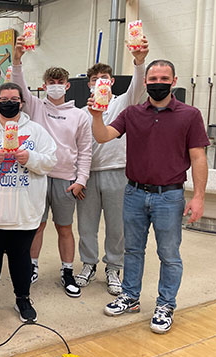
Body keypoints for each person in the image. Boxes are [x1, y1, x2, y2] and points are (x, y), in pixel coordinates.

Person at [90, 59, 209, 334]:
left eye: (163, 78)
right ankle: (130, 297)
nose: (158, 83)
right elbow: (104, 136)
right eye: (152, 79)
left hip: (170, 196)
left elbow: (198, 157)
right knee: (132, 250)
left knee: (168, 254)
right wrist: (97, 115)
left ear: (174, 80)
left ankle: (166, 304)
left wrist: (199, 197)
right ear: (145, 82)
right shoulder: (132, 113)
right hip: (133, 192)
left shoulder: (189, 115)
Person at [0, 82, 57, 322]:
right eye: (4, 98)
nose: (9, 102)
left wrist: (30, 157)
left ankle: (22, 298)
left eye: (14, 98)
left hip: (24, 212)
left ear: (22, 103)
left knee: (20, 258)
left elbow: (50, 161)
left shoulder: (36, 131)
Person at [12, 35, 92, 298]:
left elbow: (85, 150)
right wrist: (17, 60)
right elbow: (20, 86)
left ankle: (67, 271)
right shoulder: (35, 106)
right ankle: (32, 266)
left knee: (65, 227)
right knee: (37, 225)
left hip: (66, 180)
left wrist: (81, 179)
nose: (55, 86)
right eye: (51, 83)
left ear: (67, 86)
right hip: (37, 175)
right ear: (44, 86)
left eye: (60, 83)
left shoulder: (80, 115)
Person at [75, 37, 149, 295]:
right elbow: (77, 148)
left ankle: (113, 268)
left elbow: (138, 86)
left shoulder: (122, 103)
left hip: (118, 172)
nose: (100, 82)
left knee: (117, 226)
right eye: (95, 79)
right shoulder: (81, 112)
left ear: (112, 81)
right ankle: (88, 264)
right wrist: (79, 177)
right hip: (89, 175)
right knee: (86, 225)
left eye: (104, 78)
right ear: (89, 84)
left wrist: (139, 61)